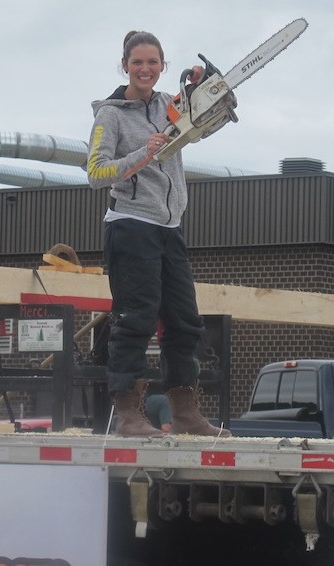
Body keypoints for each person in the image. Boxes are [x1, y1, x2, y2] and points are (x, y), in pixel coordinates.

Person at [86, 29, 231, 438]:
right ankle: (130, 414)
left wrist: (205, 88)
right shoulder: (110, 115)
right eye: (137, 63)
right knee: (135, 320)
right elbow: (96, 174)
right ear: (124, 66)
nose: (145, 69)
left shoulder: (171, 105)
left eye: (153, 62)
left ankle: (185, 411)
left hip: (170, 227)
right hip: (131, 225)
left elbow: (206, 122)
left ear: (164, 66)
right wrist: (141, 154)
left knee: (185, 321)